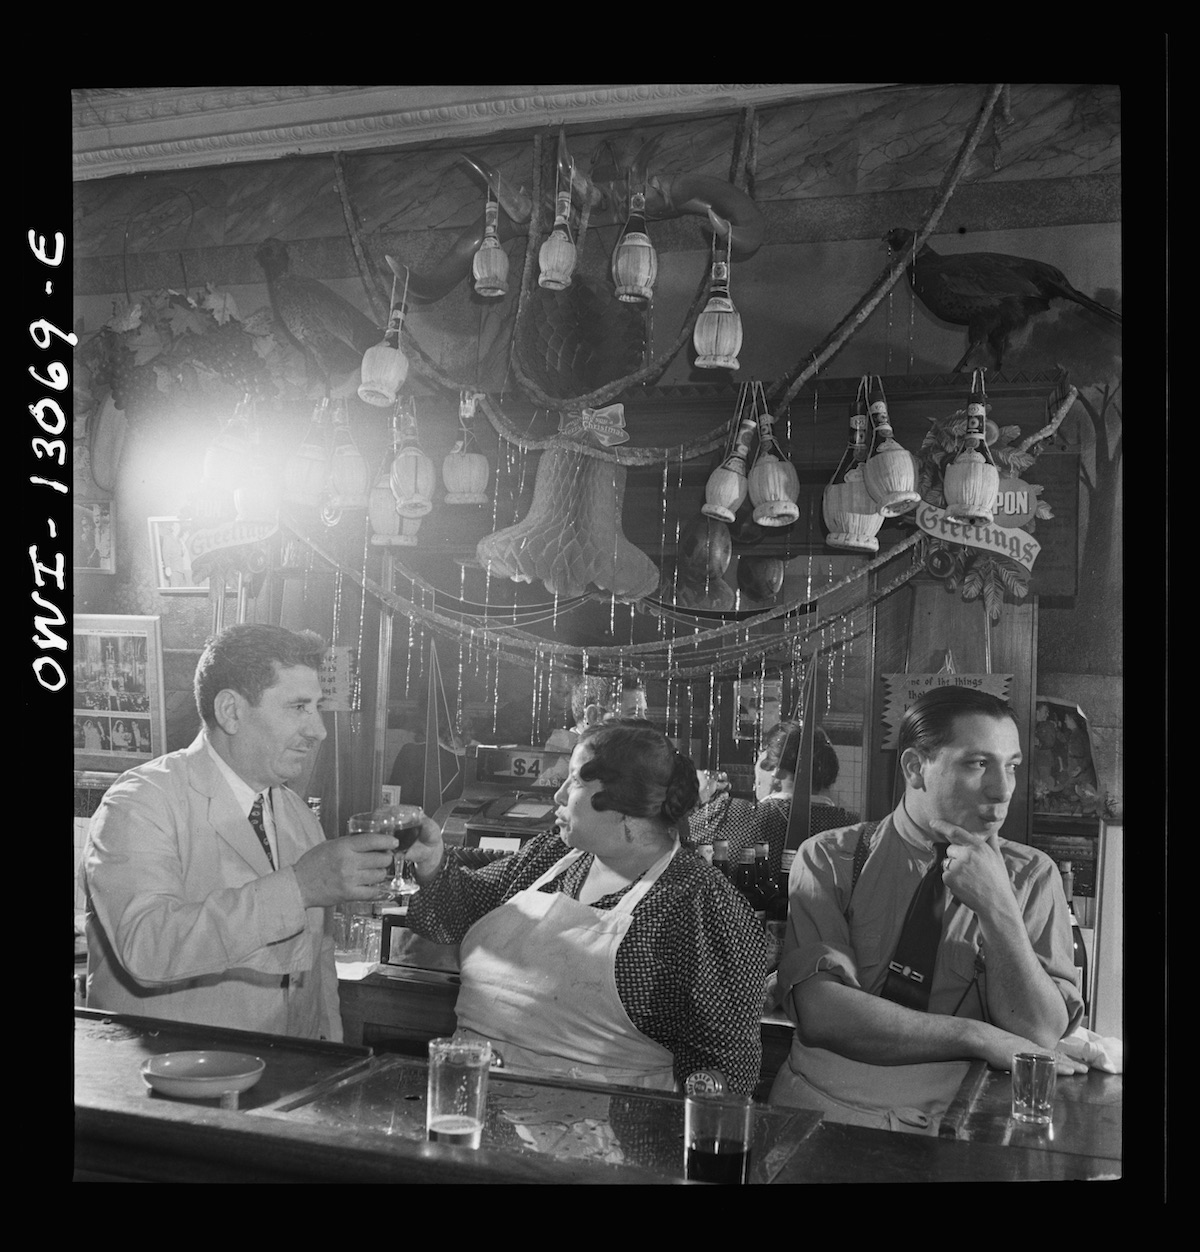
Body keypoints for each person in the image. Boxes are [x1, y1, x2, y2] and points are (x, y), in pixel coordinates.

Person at [769, 687, 1087, 1133]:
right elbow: (823, 1014)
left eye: (1011, 766)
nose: (1003, 789)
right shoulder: (830, 859)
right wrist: (977, 1036)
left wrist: (998, 909)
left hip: (959, 1126)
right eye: (978, 764)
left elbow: (1037, 1036)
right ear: (916, 768)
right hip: (824, 1112)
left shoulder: (1032, 875)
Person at [401, 722, 769, 1095]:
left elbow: (723, 1073)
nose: (558, 794)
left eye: (575, 781)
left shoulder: (699, 903)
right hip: (471, 1108)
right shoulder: (552, 857)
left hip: (597, 1137)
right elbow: (459, 912)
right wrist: (431, 863)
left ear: (623, 801)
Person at [79, 623, 400, 1040]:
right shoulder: (141, 801)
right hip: (170, 1082)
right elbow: (146, 947)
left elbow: (317, 971)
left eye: (317, 706)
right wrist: (299, 887)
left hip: (283, 1079)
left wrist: (327, 1056)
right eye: (298, 706)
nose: (318, 729)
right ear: (231, 711)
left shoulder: (296, 814)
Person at [685, 722, 858, 877]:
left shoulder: (728, 814)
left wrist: (695, 794)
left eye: (760, 758)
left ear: (777, 771)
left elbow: (677, 836)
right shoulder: (853, 826)